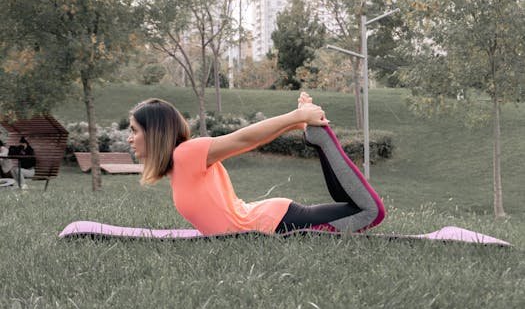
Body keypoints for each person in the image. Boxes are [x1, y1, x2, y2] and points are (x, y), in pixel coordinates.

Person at [127, 92, 385, 235]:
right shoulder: (179, 164)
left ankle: (322, 139)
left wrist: (296, 117)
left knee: (370, 212)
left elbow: (244, 139)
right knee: (354, 209)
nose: (129, 138)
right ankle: (315, 136)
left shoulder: (186, 154)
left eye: (134, 131)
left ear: (155, 133)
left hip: (275, 224)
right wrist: (295, 122)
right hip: (270, 218)